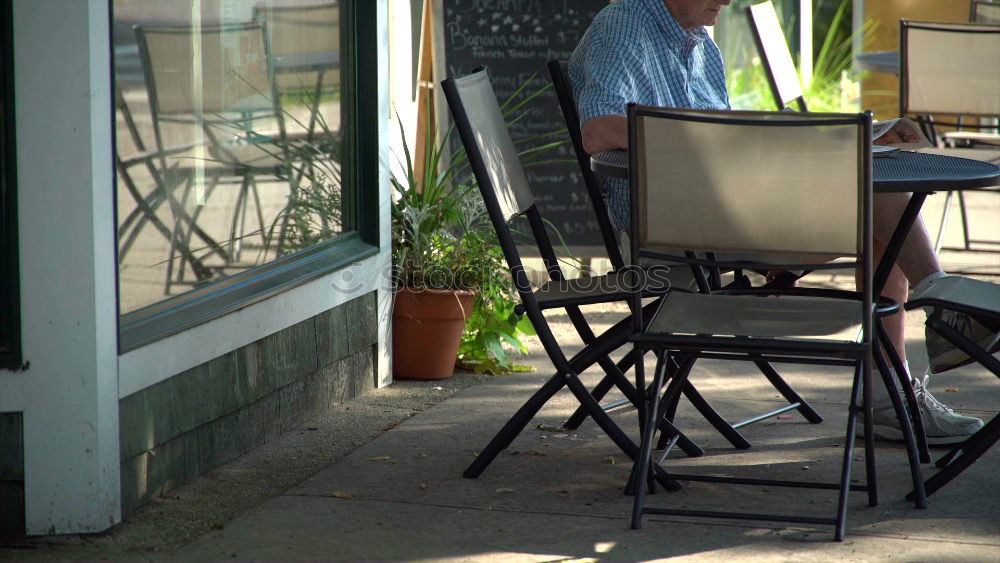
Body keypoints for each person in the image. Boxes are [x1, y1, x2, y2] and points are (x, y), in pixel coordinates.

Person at [569, 0, 992, 445]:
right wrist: (717, 137)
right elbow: (598, 130)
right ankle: (923, 346)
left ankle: (899, 378)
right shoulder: (624, 26)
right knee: (882, 201)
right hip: (677, 234)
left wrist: (849, 136)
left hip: (722, 214)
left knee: (880, 197)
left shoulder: (696, 39)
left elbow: (731, 137)